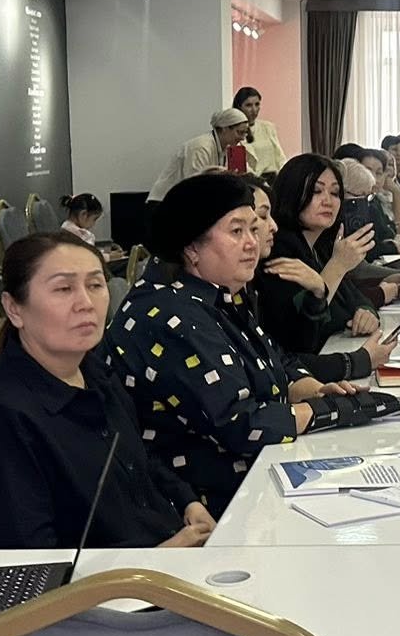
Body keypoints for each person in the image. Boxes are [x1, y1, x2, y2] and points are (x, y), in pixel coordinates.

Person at [0, 233, 214, 551]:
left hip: (161, 551)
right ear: (14, 308)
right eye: (64, 289)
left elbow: (139, 459)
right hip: (115, 579)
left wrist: (187, 502)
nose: (86, 303)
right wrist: (158, 557)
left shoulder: (95, 373)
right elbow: (26, 562)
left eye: (96, 285)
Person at [111, 177, 318, 512]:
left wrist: (314, 391)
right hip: (201, 507)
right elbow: (240, 424)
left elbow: (274, 363)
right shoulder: (170, 314)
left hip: (249, 482)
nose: (252, 243)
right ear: (192, 247)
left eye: (253, 229)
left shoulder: (218, 295)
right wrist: (329, 412)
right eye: (237, 231)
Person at [242, 177, 396, 385]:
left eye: (335, 193)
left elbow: (353, 298)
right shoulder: (279, 255)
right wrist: (355, 361)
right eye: (316, 191)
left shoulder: (320, 246)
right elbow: (294, 345)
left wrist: (365, 309)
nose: (328, 201)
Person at [147, 108, 252, 202]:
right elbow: (195, 185)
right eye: (240, 132)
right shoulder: (200, 147)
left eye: (245, 133)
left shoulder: (227, 148)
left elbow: (247, 174)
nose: (243, 137)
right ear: (225, 129)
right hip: (163, 203)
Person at [233, 86, 287, 177]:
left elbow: (279, 156)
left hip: (274, 177)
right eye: (248, 105)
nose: (254, 110)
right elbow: (240, 166)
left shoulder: (268, 127)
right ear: (239, 107)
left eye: (257, 104)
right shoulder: (234, 131)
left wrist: (285, 175)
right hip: (251, 180)